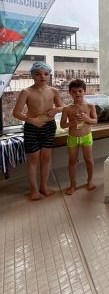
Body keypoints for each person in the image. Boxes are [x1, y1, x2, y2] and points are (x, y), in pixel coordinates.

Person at [13, 61, 63, 200]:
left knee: (46, 157)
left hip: (49, 126)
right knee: (33, 159)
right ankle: (34, 190)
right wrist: (32, 120)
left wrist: (56, 109)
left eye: (46, 74)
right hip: (32, 127)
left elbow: (62, 107)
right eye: (38, 74)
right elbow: (16, 112)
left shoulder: (53, 91)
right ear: (32, 75)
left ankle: (44, 187)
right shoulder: (26, 92)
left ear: (49, 75)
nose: (42, 77)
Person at [60, 79, 97, 194]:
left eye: (80, 91)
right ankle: (73, 184)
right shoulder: (67, 108)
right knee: (72, 161)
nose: (77, 93)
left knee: (89, 159)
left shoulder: (90, 106)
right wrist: (72, 123)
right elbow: (62, 125)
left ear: (84, 91)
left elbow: (95, 121)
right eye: (74, 91)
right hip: (73, 137)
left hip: (86, 136)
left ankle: (90, 181)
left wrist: (86, 119)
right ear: (70, 93)